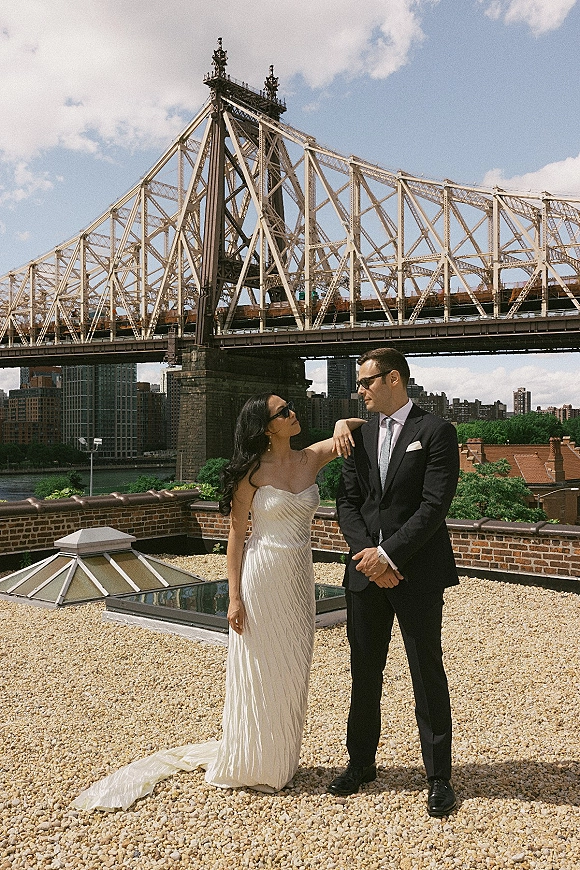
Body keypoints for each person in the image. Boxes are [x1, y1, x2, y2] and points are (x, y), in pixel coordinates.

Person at [72, 394, 364, 810]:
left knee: (294, 665)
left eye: (290, 407)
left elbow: (361, 424)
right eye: (284, 412)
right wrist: (234, 598)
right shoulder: (250, 473)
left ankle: (280, 759)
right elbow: (235, 540)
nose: (293, 413)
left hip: (300, 579)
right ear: (266, 427)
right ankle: (255, 762)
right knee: (261, 666)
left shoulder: (310, 458)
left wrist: (340, 424)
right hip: (262, 576)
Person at [327, 348, 460, 818]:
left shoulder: (437, 431)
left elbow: (433, 506)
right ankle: (360, 764)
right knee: (365, 671)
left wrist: (389, 555)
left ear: (395, 380)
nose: (359, 390)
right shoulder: (357, 436)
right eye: (358, 384)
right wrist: (368, 556)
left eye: (366, 382)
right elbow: (347, 501)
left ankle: (439, 777)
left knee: (427, 673)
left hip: (417, 572)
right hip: (365, 574)